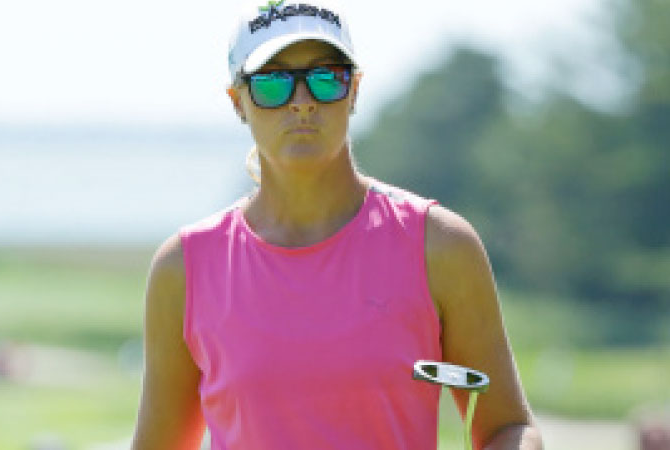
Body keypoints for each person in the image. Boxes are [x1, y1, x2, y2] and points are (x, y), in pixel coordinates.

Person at [131, 1, 543, 449]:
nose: (303, 103)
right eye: (273, 84)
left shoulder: (438, 245)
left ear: (355, 90)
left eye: (326, 78)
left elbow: (509, 428)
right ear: (238, 102)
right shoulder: (186, 267)